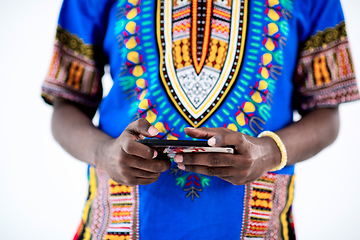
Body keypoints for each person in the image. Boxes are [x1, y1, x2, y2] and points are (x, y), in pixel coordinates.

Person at [41, 0, 359, 239]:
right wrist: (103, 154)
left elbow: (326, 112)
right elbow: (66, 104)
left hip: (254, 226)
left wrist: (268, 152)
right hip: (123, 224)